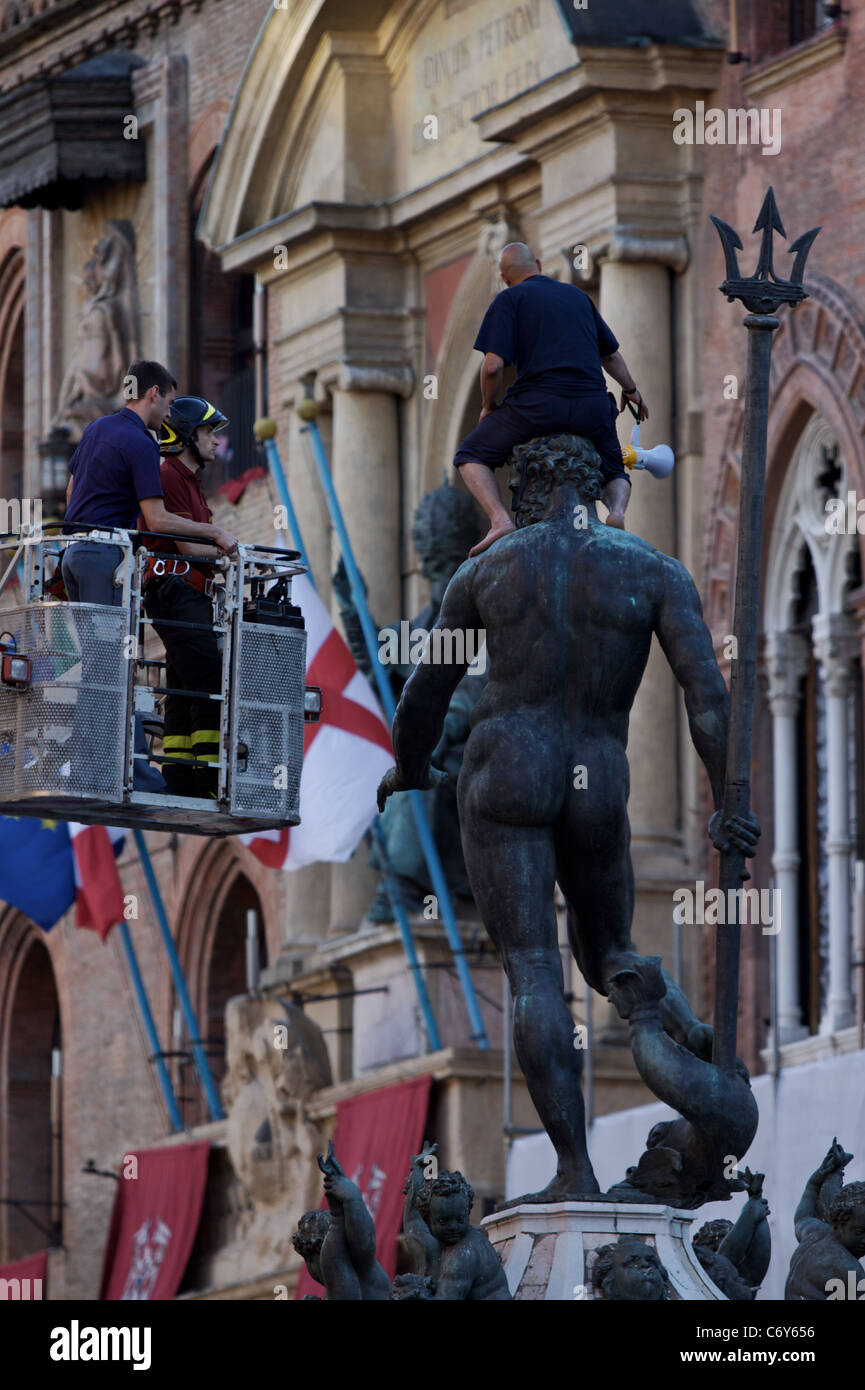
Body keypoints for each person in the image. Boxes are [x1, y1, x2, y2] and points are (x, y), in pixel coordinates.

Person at [378, 432, 760, 1202]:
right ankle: (673, 1029)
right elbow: (708, 699)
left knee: (532, 967)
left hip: (505, 767)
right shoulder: (651, 570)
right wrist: (730, 805)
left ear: (523, 490)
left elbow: (425, 690)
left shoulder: (487, 568)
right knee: (611, 950)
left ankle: (572, 1170)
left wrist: (410, 767)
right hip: (597, 780)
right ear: (595, 487)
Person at [453, 241, 648, 555]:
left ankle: (500, 520)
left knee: (470, 455)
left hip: (537, 406)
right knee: (614, 469)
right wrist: (631, 389)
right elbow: (610, 356)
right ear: (539, 265)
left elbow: (492, 367)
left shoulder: (510, 299)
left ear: (505, 277)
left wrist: (489, 406)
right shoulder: (578, 297)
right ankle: (617, 512)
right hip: (591, 406)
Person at [62, 359, 237, 605]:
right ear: (154, 394)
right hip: (104, 555)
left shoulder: (96, 427)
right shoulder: (142, 442)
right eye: (169, 404)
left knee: (90, 644)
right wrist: (215, 531)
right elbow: (157, 520)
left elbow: (71, 490)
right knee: (110, 642)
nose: (168, 414)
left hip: (73, 554)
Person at [141, 396, 230, 798]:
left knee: (181, 682)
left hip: (188, 595)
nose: (215, 440)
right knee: (211, 676)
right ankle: (208, 776)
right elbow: (191, 551)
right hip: (174, 591)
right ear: (189, 435)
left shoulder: (189, 481)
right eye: (210, 432)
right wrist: (234, 553)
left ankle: (178, 775)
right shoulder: (169, 476)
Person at [786, 1139, 865, 1300]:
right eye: (860, 1232)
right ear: (838, 1223)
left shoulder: (814, 1231)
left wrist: (814, 1183)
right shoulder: (851, 1271)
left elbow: (803, 1217)